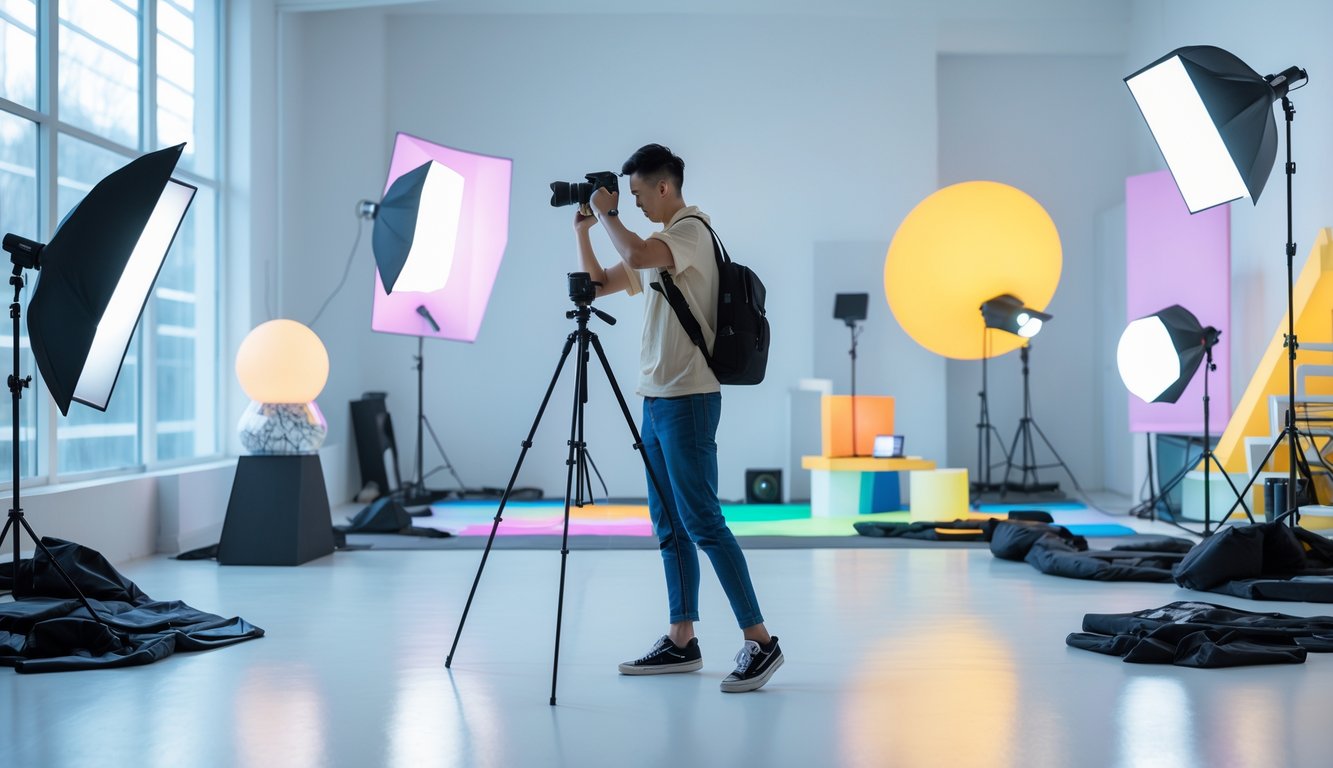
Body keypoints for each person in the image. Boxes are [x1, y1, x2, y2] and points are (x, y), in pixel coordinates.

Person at [573, 143, 782, 693]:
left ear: (663, 187)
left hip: (688, 398)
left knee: (704, 523)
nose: (635, 203)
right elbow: (599, 284)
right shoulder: (658, 244)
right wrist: (585, 229)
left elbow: (639, 254)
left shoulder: (689, 232)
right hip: (657, 399)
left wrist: (607, 213)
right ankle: (682, 639)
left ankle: (761, 641)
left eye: (638, 194)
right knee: (670, 526)